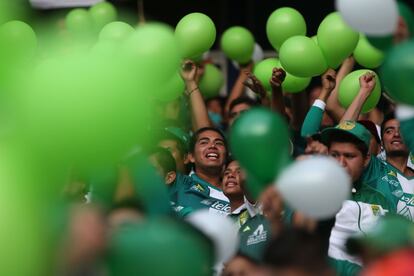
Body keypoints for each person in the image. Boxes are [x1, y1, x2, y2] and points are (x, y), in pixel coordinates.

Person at [319, 121, 394, 274]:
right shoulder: (311, 196)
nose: (341, 163)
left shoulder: (380, 199)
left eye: (349, 156)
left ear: (366, 159)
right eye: (334, 155)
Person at [172, 127, 230, 216]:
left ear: (225, 156)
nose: (212, 146)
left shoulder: (239, 190)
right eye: (204, 142)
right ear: (191, 156)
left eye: (219, 143)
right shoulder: (179, 184)